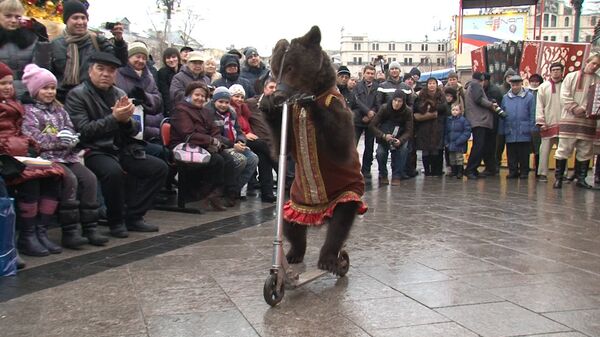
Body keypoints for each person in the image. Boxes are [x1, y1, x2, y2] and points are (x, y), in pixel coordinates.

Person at [65, 51, 168, 238]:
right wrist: (114, 118)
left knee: (159, 167)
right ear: (90, 71)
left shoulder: (119, 93)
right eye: (100, 69)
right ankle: (116, 221)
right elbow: (84, 131)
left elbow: (134, 128)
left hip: (120, 147)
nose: (105, 74)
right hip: (92, 149)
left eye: (111, 71)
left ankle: (134, 216)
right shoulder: (77, 95)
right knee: (113, 172)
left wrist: (127, 120)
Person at [21, 63, 108, 248]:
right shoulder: (28, 111)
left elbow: (69, 126)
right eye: (45, 88)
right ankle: (70, 230)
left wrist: (72, 138)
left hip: (68, 156)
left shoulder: (59, 109)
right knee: (70, 180)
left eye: (52, 88)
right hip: (46, 159)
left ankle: (90, 227)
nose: (50, 92)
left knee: (89, 179)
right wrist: (59, 139)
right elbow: (34, 139)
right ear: (35, 90)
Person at [0, 62, 64, 256]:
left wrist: (30, 143)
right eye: (2, 83)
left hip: (17, 154)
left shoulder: (13, 104)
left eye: (10, 83)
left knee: (53, 175)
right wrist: (21, 145)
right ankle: (27, 236)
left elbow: (18, 132)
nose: (8, 87)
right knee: (31, 181)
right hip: (6, 158)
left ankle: (40, 231)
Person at [170, 82, 232, 211]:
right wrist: (210, 141)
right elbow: (187, 133)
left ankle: (214, 193)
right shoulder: (180, 110)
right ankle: (206, 194)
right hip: (185, 147)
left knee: (229, 157)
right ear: (189, 95)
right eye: (197, 95)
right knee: (217, 160)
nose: (200, 98)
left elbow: (214, 130)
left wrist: (218, 141)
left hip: (204, 146)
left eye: (203, 96)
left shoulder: (205, 111)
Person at [50, 0, 127, 103]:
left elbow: (120, 61)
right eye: (75, 18)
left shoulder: (97, 41)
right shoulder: (55, 44)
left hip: (93, 101)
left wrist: (119, 41)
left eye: (83, 18)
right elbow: (47, 75)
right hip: (63, 101)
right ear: (66, 20)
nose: (80, 22)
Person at [553, 52, 600, 189]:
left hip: (587, 121)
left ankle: (581, 179)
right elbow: (564, 95)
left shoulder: (598, 80)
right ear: (587, 62)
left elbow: (597, 100)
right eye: (593, 63)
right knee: (564, 149)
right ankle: (559, 179)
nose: (595, 66)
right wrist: (575, 108)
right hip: (570, 119)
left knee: (585, 151)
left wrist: (586, 108)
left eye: (597, 65)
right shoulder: (571, 76)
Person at [207, 87, 258, 203]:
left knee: (253, 158)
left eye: (226, 102)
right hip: (219, 146)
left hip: (234, 143)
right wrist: (232, 145)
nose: (223, 105)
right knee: (240, 160)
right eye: (220, 102)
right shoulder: (209, 113)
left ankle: (234, 190)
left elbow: (238, 131)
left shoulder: (232, 112)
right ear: (214, 101)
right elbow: (214, 135)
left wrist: (240, 141)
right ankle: (224, 189)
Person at [228, 84, 276, 202]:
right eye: (236, 96)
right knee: (263, 146)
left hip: (247, 139)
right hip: (235, 141)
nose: (239, 99)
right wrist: (244, 135)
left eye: (241, 96)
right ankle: (279, 167)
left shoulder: (244, 109)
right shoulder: (229, 109)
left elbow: (248, 126)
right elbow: (231, 129)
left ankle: (267, 193)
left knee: (263, 156)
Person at [0, 0, 50, 99]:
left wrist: (43, 40)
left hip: (26, 95)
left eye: (17, 17)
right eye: (8, 16)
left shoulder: (31, 39)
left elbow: (42, 68)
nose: (13, 20)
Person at [116, 42, 163, 142]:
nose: (141, 61)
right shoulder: (118, 74)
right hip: (127, 127)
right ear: (129, 57)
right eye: (137, 57)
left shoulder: (149, 76)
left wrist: (145, 97)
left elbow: (158, 99)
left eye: (144, 58)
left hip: (150, 126)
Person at [369, 88, 413, 185]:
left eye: (399, 101)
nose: (397, 103)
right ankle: (383, 174)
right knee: (380, 153)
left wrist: (400, 141)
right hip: (384, 136)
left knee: (403, 151)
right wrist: (383, 136)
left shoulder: (407, 111)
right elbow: (372, 125)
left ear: (403, 102)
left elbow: (409, 131)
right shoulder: (384, 108)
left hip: (399, 137)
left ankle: (397, 175)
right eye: (395, 100)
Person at [499, 75, 536, 179]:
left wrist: (532, 128)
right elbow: (502, 113)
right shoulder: (505, 98)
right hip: (510, 129)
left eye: (517, 84)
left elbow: (532, 113)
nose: (515, 87)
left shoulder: (529, 97)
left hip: (524, 129)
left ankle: (524, 171)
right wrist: (501, 130)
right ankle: (513, 171)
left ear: (521, 84)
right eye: (513, 85)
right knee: (511, 152)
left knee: (524, 153)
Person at [464, 72, 498, 179]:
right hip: (479, 120)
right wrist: (491, 105)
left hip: (477, 120)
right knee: (478, 146)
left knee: (479, 145)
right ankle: (470, 169)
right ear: (482, 80)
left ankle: (472, 169)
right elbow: (478, 99)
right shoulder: (475, 85)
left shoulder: (471, 86)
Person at [535, 63, 564, 182]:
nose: (556, 72)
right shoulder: (544, 86)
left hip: (563, 122)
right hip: (548, 122)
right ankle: (542, 173)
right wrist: (541, 122)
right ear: (550, 72)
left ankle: (563, 173)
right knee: (544, 149)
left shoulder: (566, 85)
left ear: (562, 71)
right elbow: (539, 105)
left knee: (563, 150)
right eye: (553, 70)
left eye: (558, 70)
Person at [414, 77, 448, 176]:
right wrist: (426, 107)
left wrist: (432, 107)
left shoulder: (441, 94)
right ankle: (427, 170)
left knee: (436, 149)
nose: (431, 85)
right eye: (430, 83)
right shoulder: (422, 94)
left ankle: (435, 170)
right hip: (424, 126)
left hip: (437, 125)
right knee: (425, 150)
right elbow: (418, 107)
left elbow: (444, 107)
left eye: (433, 83)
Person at [353, 65, 379, 179]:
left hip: (371, 121)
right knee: (353, 146)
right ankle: (352, 169)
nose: (370, 75)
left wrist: (371, 113)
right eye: (368, 73)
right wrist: (366, 111)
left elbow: (378, 103)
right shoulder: (357, 86)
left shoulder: (378, 87)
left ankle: (366, 169)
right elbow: (356, 101)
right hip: (358, 119)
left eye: (372, 73)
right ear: (363, 73)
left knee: (369, 147)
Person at [445, 104, 472, 178]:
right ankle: (454, 171)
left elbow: (467, 132)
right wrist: (446, 142)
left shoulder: (463, 120)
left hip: (459, 144)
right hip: (450, 144)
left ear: (460, 111)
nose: (454, 111)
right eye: (453, 110)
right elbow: (446, 132)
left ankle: (460, 172)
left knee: (459, 158)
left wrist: (460, 140)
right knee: (452, 158)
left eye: (456, 110)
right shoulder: (449, 120)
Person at [157, 47, 180, 115]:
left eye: (173, 57)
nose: (171, 60)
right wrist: (169, 110)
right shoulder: (162, 73)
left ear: (178, 57)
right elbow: (165, 93)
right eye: (168, 58)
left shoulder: (183, 70)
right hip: (170, 107)